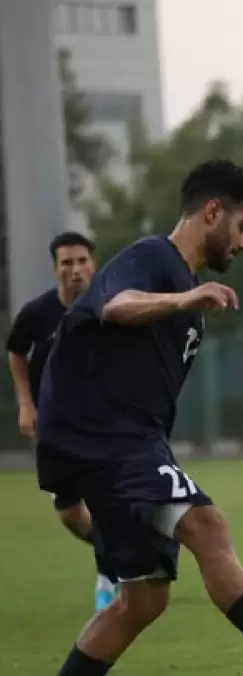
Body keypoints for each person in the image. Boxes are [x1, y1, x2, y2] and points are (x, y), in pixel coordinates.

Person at [22, 160, 243, 676]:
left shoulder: (184, 291)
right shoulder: (155, 259)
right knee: (208, 525)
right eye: (242, 226)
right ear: (211, 212)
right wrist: (183, 299)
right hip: (105, 438)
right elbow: (113, 308)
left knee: (145, 598)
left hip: (116, 442)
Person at [6, 232, 118, 611]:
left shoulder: (112, 307)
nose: (75, 270)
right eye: (66, 263)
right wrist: (25, 402)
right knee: (70, 513)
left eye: (81, 260)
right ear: (55, 269)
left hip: (101, 424)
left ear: (93, 263)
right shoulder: (38, 314)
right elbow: (16, 352)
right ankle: (115, 552)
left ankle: (109, 573)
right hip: (53, 427)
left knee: (106, 500)